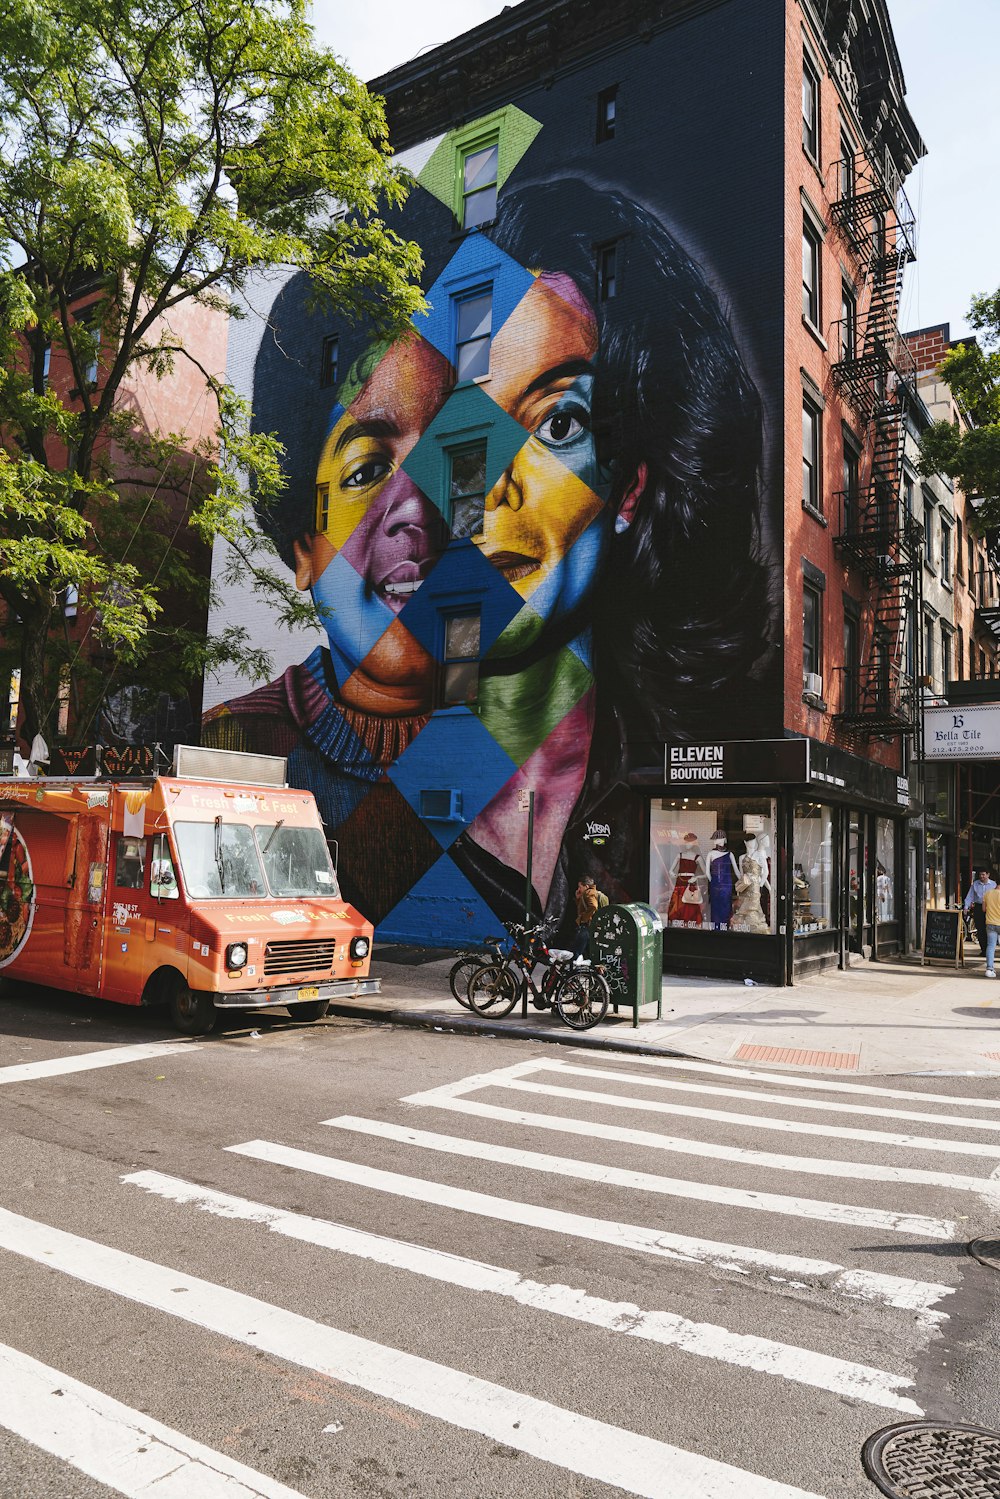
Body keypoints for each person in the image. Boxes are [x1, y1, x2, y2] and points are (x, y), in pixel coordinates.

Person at [205, 174, 771, 939]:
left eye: (556, 425)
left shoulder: (651, 746)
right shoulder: (263, 745)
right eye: (461, 440)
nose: (466, 493)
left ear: (629, 484)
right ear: (302, 545)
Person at [964, 869, 996, 957]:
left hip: (990, 908)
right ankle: (983, 950)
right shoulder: (975, 884)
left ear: (988, 875)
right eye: (980, 875)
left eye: (983, 874)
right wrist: (966, 907)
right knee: (980, 929)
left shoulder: (993, 884)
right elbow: (970, 896)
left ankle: (989, 950)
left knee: (990, 929)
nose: (981, 876)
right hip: (978, 907)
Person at [572, 875, 599, 961]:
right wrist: (578, 899)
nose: (578, 889)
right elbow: (583, 907)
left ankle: (574, 970)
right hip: (589, 926)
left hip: (586, 926)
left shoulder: (589, 893)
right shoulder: (587, 894)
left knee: (577, 950)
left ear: (586, 886)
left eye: (580, 887)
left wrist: (584, 918)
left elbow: (593, 906)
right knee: (587, 951)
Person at [985, 882, 1000, 977]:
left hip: (990, 923)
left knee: (991, 946)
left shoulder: (988, 893)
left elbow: (983, 909)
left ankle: (989, 970)